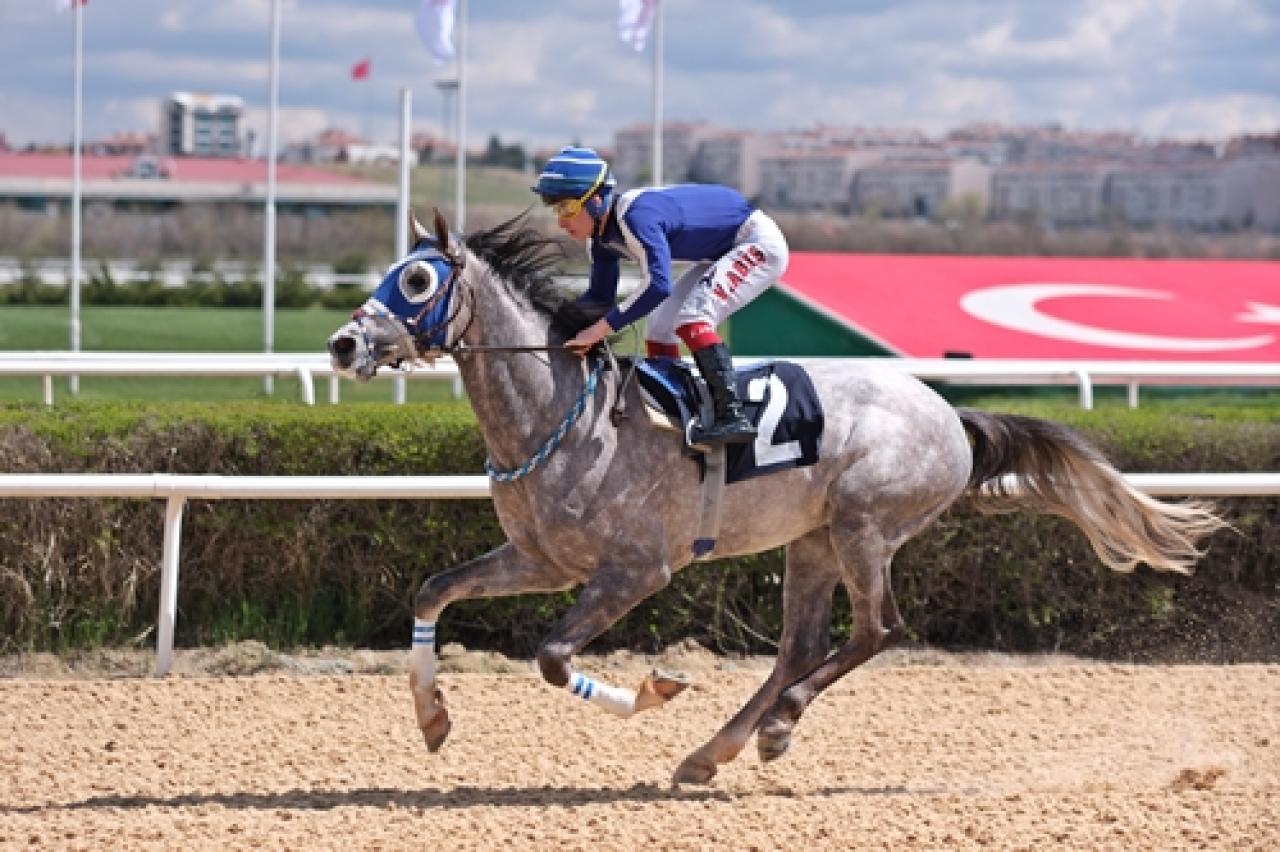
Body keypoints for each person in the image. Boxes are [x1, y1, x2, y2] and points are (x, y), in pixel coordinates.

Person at [533, 146, 790, 448]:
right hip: (720, 249)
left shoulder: (635, 218)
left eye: (567, 208)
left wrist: (600, 330)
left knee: (693, 317)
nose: (561, 221)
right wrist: (553, 326)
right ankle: (681, 408)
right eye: (556, 210)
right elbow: (599, 299)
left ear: (597, 200)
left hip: (756, 242)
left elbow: (658, 285)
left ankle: (732, 415)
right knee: (658, 329)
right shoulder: (600, 241)